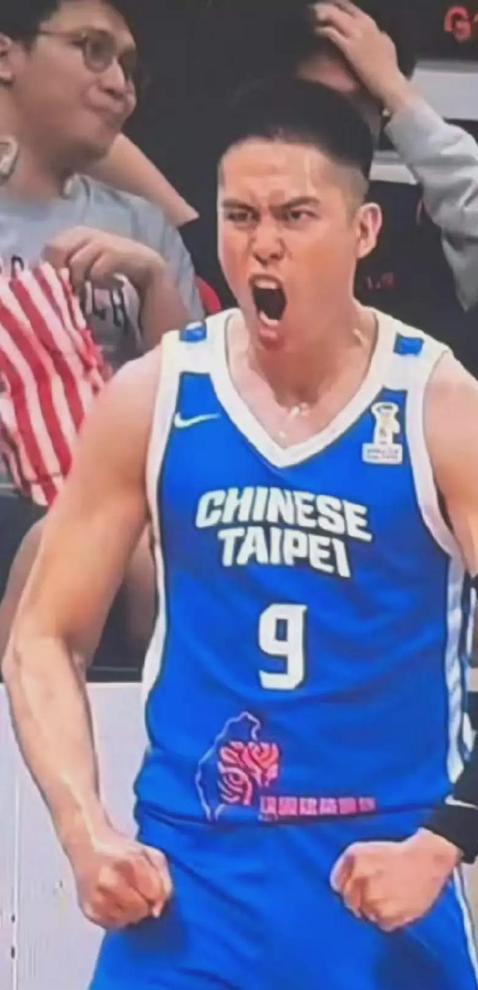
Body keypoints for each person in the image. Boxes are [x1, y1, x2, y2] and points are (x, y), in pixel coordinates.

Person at [3, 79, 478, 989]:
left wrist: (446, 839)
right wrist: (85, 834)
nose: (264, 244)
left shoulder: (441, 406)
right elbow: (42, 635)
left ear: (364, 231)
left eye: (295, 215)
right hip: (190, 881)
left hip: (379, 874)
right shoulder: (155, 395)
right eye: (240, 216)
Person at [92, 0, 478, 403]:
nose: (332, 122)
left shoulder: (425, 224)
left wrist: (394, 87)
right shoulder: (239, 232)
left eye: (358, 101)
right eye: (316, 103)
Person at [0, 0, 204, 648]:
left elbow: (197, 411)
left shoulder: (144, 227)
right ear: (7, 56)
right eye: (92, 49)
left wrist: (154, 282)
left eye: (129, 67)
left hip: (118, 509)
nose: (119, 84)